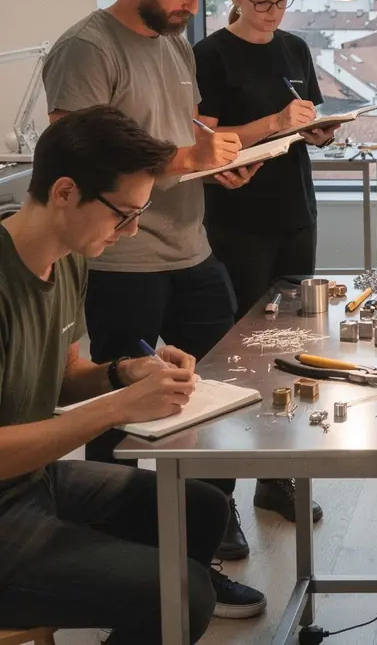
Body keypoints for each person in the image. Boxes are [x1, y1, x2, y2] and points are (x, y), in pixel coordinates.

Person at [42, 0, 266, 617]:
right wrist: (189, 160)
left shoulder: (174, 45)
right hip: (124, 259)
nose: (191, 8)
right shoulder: (86, 47)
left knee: (221, 402)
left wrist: (215, 159)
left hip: (192, 249)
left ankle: (199, 556)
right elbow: (79, 157)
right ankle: (119, 578)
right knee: (119, 421)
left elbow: (184, 130)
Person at [0, 106, 228, 642]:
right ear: (63, 192)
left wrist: (125, 373)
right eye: (122, 214)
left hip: (32, 481)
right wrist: (121, 407)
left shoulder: (70, 256)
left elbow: (65, 374)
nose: (130, 232)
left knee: (201, 510)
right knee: (184, 594)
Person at [194, 0, 332, 532]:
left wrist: (318, 129)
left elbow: (310, 119)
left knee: (292, 348)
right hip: (237, 217)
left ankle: (275, 480)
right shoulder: (209, 55)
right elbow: (206, 139)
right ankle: (217, 500)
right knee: (238, 356)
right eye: (262, 2)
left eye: (283, 1)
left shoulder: (295, 48)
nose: (274, 12)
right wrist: (275, 122)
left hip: (294, 210)